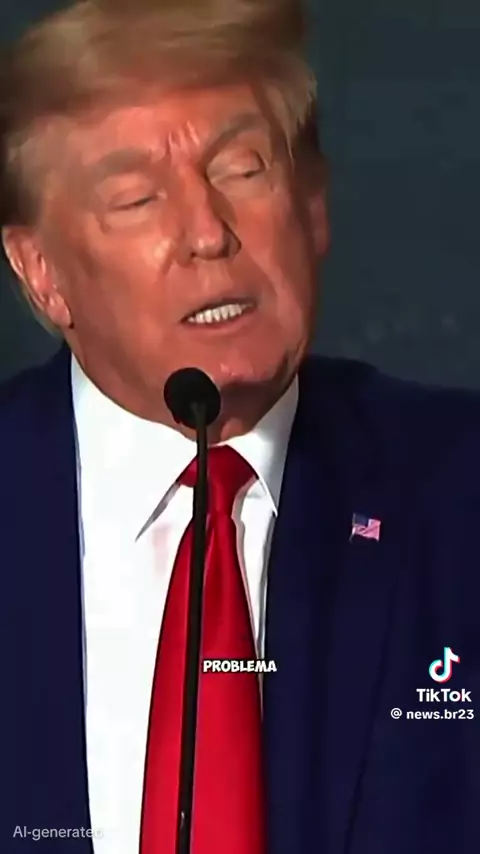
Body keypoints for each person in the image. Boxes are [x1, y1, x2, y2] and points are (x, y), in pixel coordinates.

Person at [1, 0, 480, 852]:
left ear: (314, 203)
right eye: (137, 198)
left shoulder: (459, 492)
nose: (207, 233)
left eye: (243, 169)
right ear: (42, 274)